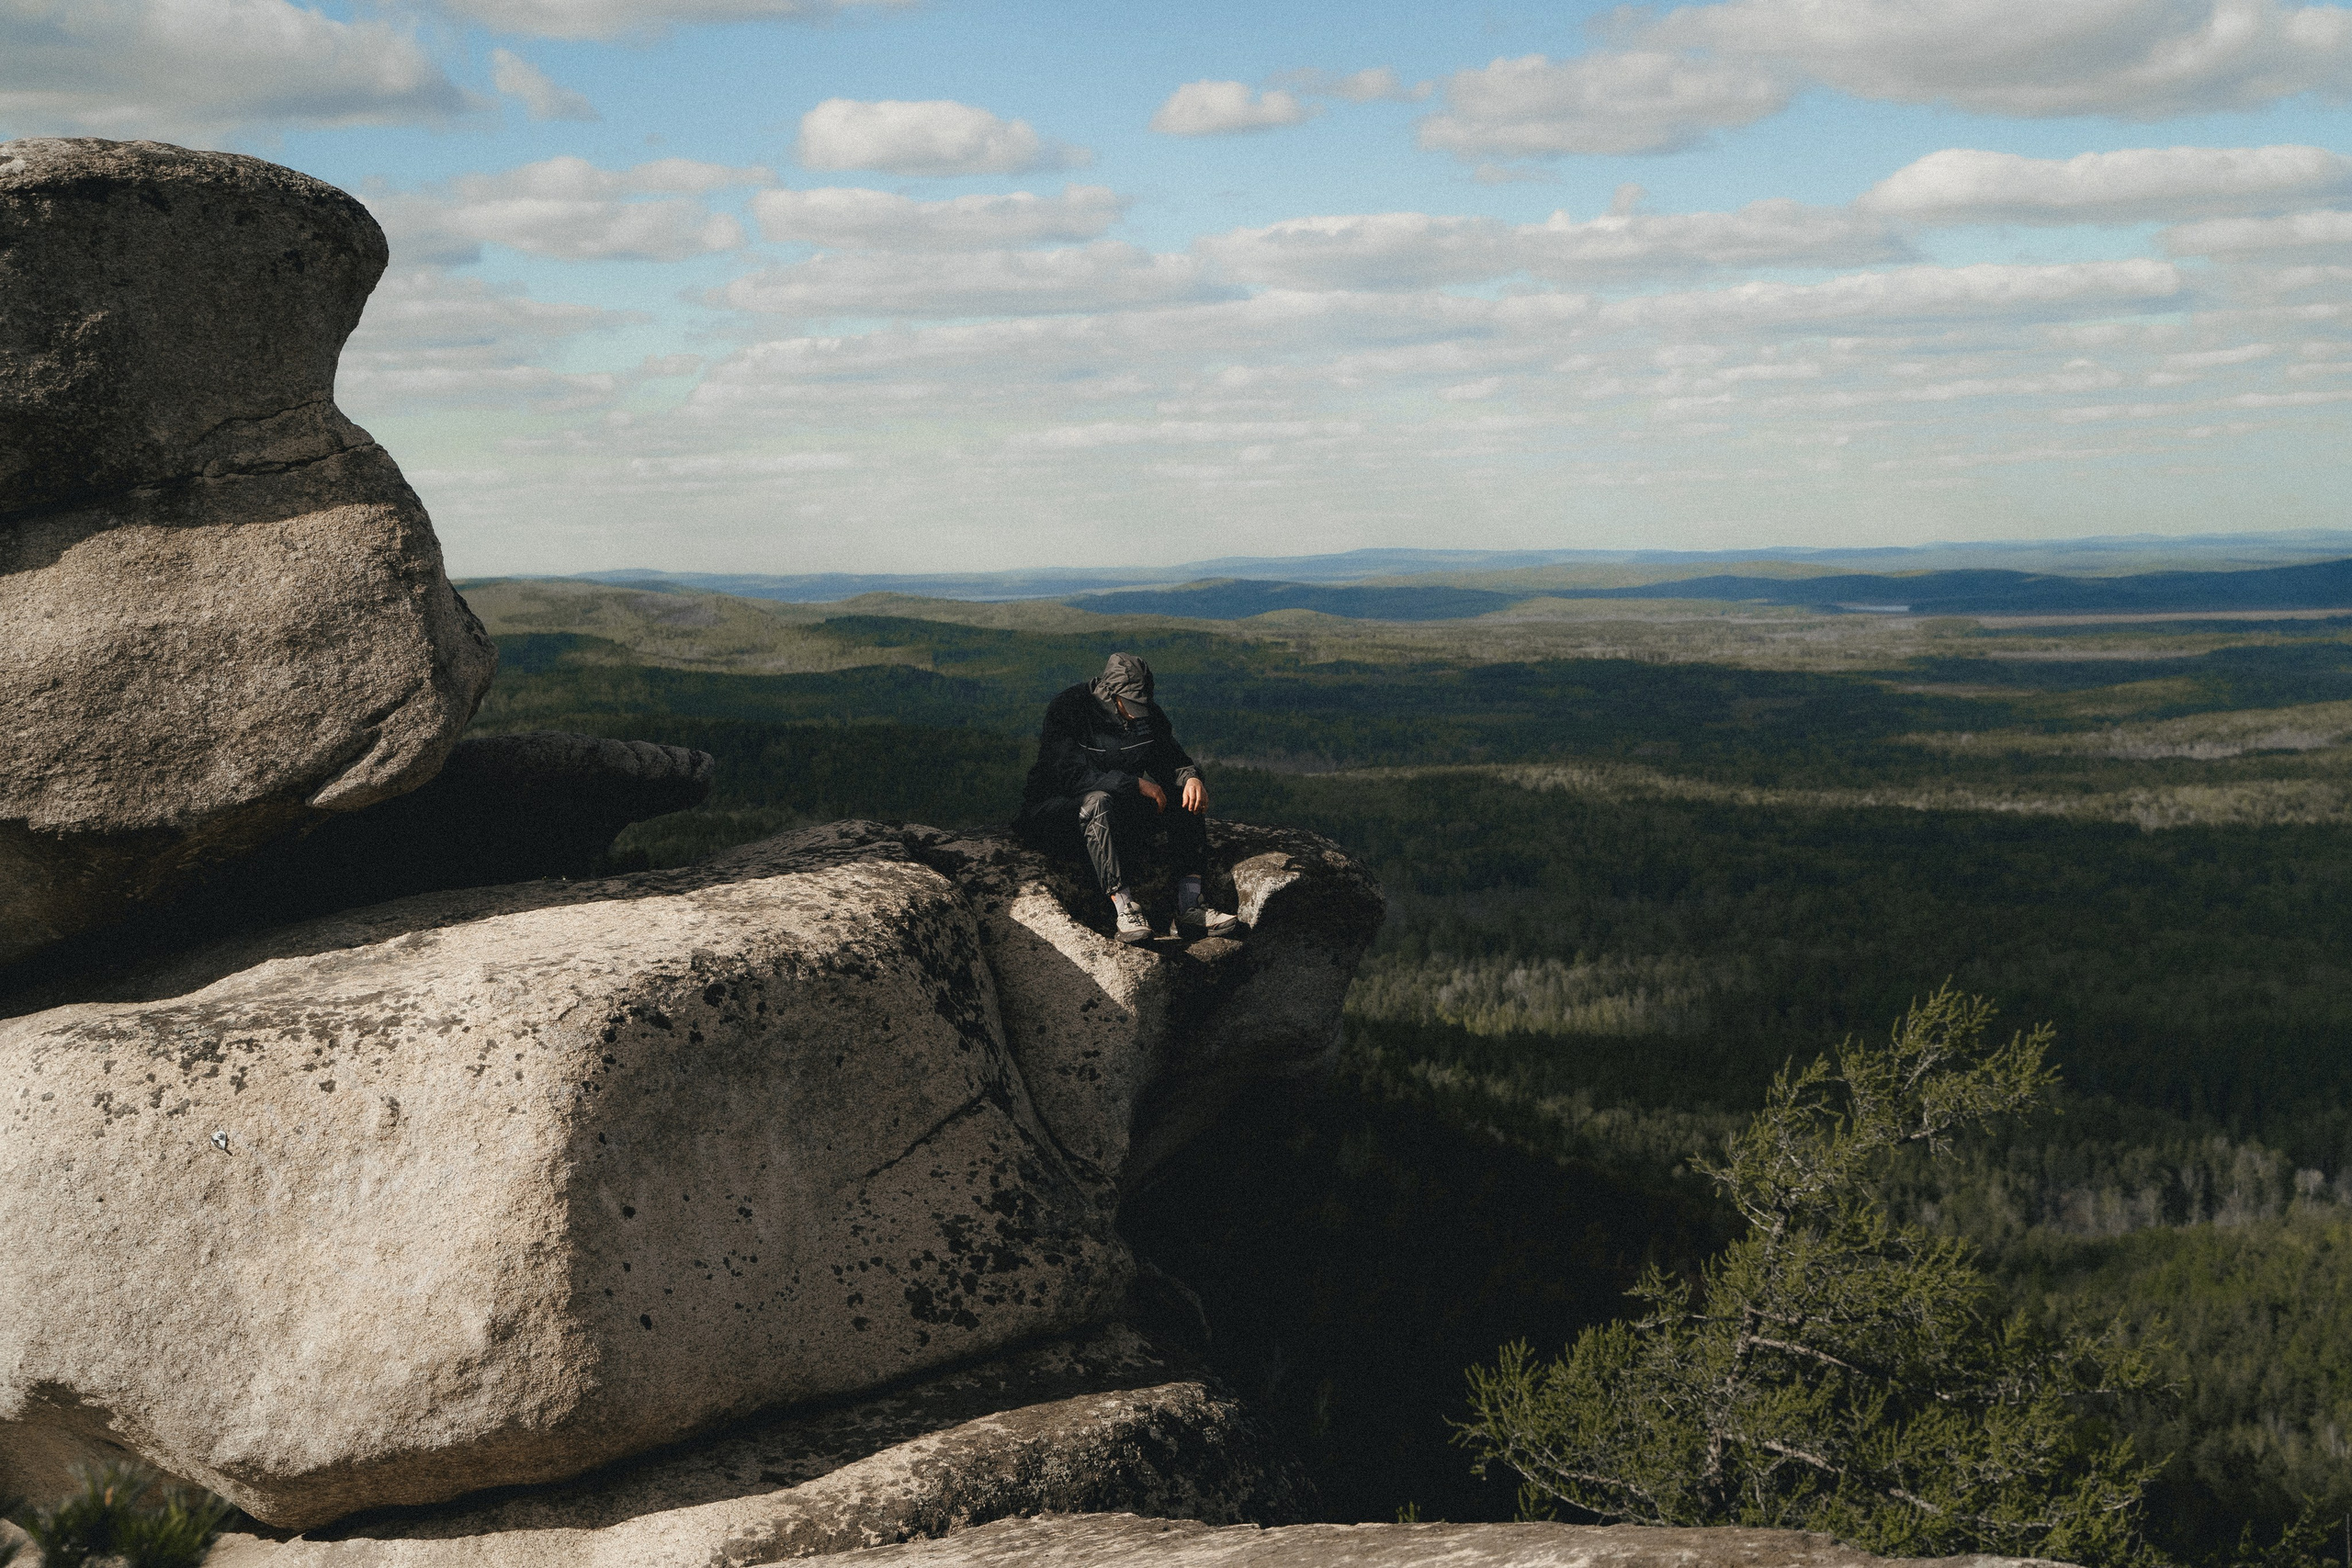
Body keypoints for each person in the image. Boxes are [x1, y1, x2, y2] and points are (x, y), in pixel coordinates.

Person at [1015, 651, 1241, 944]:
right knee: (1096, 801)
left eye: (1142, 704)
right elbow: (1066, 775)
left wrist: (1191, 777)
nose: (1138, 713)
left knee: (1185, 796)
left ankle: (1191, 906)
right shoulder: (1069, 708)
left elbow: (1171, 759)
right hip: (1056, 813)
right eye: (1131, 704)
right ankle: (1125, 910)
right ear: (1111, 693)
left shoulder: (1147, 715)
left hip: (1117, 811)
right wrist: (1132, 783)